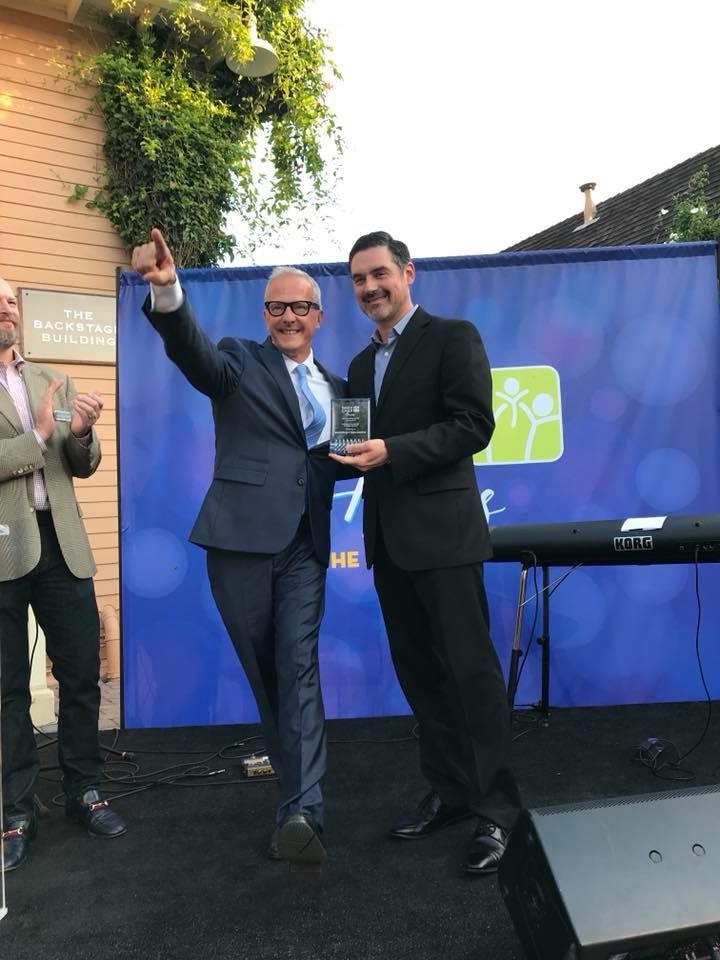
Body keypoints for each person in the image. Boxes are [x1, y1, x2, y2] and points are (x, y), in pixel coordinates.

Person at [132, 229, 347, 866]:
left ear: (318, 316)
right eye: (277, 307)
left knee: (299, 666)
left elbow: (343, 462)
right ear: (265, 315)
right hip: (240, 543)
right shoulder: (238, 360)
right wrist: (168, 294)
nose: (289, 316)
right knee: (268, 673)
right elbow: (193, 354)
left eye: (300, 307)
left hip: (307, 544)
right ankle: (295, 797)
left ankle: (302, 809)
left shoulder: (340, 389)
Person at [331, 231, 522, 875]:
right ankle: (451, 791)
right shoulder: (359, 367)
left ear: (407, 273)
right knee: (421, 677)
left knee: (471, 675)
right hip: (388, 544)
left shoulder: (453, 337)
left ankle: (498, 811)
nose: (370, 288)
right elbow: (350, 446)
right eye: (359, 280)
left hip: (444, 538)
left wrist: (394, 451)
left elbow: (474, 424)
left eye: (379, 274)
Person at [0, 277, 126, 873]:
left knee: (79, 675)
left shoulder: (53, 378)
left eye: (10, 300)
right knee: (6, 689)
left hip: (63, 546)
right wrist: (39, 436)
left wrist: (80, 433)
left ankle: (85, 789)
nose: (7, 308)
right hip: (4, 549)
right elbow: (31, 448)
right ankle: (16, 812)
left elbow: (82, 464)